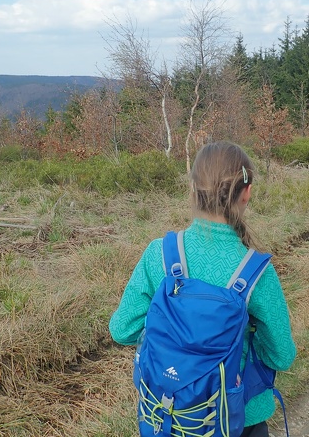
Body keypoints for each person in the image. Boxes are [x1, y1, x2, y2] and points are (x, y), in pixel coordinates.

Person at [109, 141, 296, 437]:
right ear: (246, 193)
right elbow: (281, 356)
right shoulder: (256, 270)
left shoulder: (160, 253)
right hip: (239, 419)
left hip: (169, 415)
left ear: (193, 189)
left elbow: (122, 330)